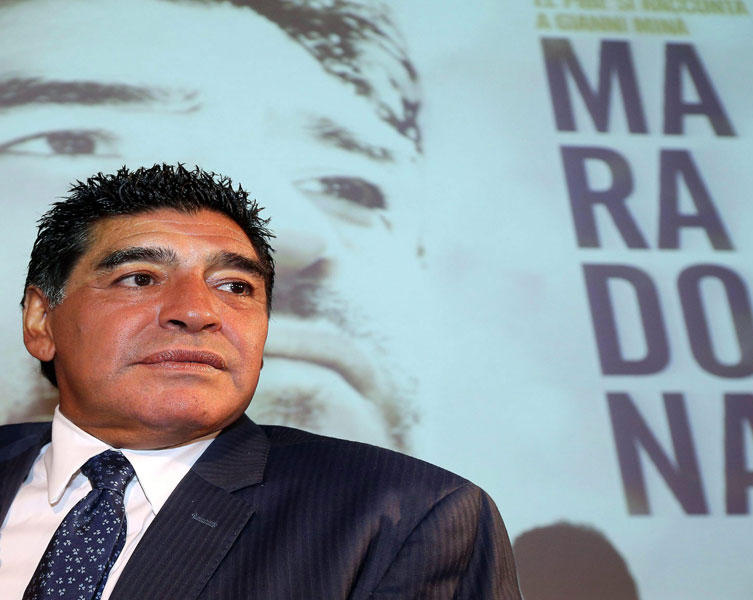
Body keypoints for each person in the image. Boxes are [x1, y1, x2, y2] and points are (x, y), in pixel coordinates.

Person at [0, 164, 520, 599]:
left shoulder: (404, 516)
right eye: (139, 278)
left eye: (234, 286)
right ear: (41, 321)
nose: (197, 311)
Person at [0, 0, 426, 451]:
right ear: (39, 316)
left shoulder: (440, 496)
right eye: (70, 142)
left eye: (343, 186)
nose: (285, 237)